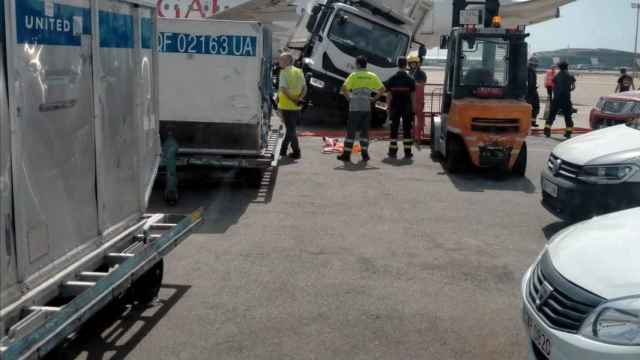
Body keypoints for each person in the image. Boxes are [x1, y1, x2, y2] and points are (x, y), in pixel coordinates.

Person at [338, 56, 385, 163]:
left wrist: (349, 98)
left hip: (354, 107)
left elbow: (344, 88)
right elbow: (382, 89)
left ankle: (346, 155)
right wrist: (373, 99)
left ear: (358, 64)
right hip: (366, 107)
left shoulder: (354, 75)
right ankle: (365, 154)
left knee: (351, 132)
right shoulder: (372, 76)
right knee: (364, 132)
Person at [385, 57, 416, 159]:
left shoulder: (392, 79)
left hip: (394, 107)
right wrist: (414, 109)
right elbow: (413, 97)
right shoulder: (410, 80)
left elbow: (388, 95)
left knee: (393, 129)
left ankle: (392, 152)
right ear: (406, 65)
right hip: (407, 107)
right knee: (407, 130)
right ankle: (407, 152)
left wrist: (388, 107)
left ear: (398, 65)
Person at [277, 52, 306, 159]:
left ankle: (283, 150)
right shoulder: (299, 71)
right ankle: (296, 152)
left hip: (286, 106)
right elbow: (304, 88)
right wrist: (299, 99)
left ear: (288, 61)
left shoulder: (284, 72)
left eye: (281, 60)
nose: (279, 61)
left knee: (290, 129)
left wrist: (294, 99)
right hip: (296, 106)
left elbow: (284, 89)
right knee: (292, 129)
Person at [544, 61, 576, 139]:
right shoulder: (570, 75)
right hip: (566, 98)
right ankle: (568, 132)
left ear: (559, 67)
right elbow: (573, 87)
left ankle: (547, 130)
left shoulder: (557, 76)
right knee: (568, 116)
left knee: (552, 115)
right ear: (567, 67)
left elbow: (553, 84)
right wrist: (568, 89)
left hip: (557, 98)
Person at [408, 52, 427, 144]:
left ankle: (418, 136)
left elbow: (422, 84)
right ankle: (412, 135)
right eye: (411, 63)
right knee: (411, 118)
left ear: (417, 64)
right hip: (411, 99)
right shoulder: (409, 73)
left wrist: (413, 83)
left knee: (419, 118)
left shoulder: (421, 73)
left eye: (414, 63)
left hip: (419, 99)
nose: (412, 65)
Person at [526, 57, 541, 128]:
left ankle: (532, 122)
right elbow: (529, 83)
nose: (536, 67)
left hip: (532, 91)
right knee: (530, 107)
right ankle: (529, 122)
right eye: (535, 65)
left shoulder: (532, 70)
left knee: (535, 107)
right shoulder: (528, 70)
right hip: (529, 92)